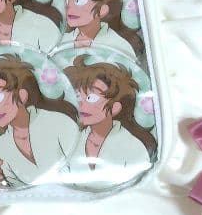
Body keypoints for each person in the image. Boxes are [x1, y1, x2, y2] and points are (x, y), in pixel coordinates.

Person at [0, 54, 80, 186]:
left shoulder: (59, 122)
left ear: (22, 95)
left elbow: (80, 169)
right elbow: (15, 189)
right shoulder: (2, 146)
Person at [64, 54, 155, 186]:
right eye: (78, 96)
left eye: (91, 98)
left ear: (115, 107)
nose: (81, 104)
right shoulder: (70, 138)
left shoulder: (135, 147)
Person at [55, 0, 141, 57]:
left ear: (103, 10)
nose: (68, 7)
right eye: (66, 0)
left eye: (79, 1)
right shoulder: (61, 40)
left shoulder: (119, 47)